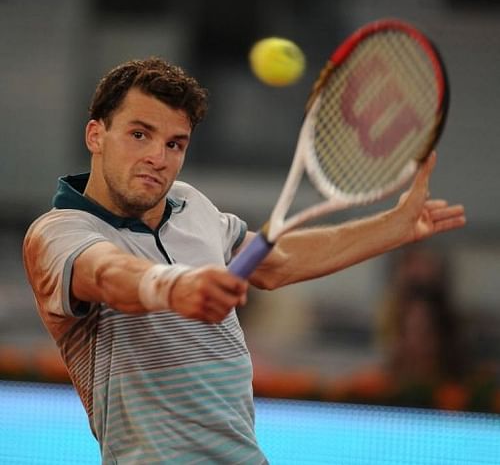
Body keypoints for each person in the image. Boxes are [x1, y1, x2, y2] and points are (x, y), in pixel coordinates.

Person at [22, 57, 466, 464]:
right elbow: (106, 273)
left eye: (175, 144)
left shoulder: (190, 205)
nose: (158, 158)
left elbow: (277, 261)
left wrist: (394, 227)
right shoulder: (59, 231)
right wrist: (178, 287)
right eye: (140, 135)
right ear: (95, 135)